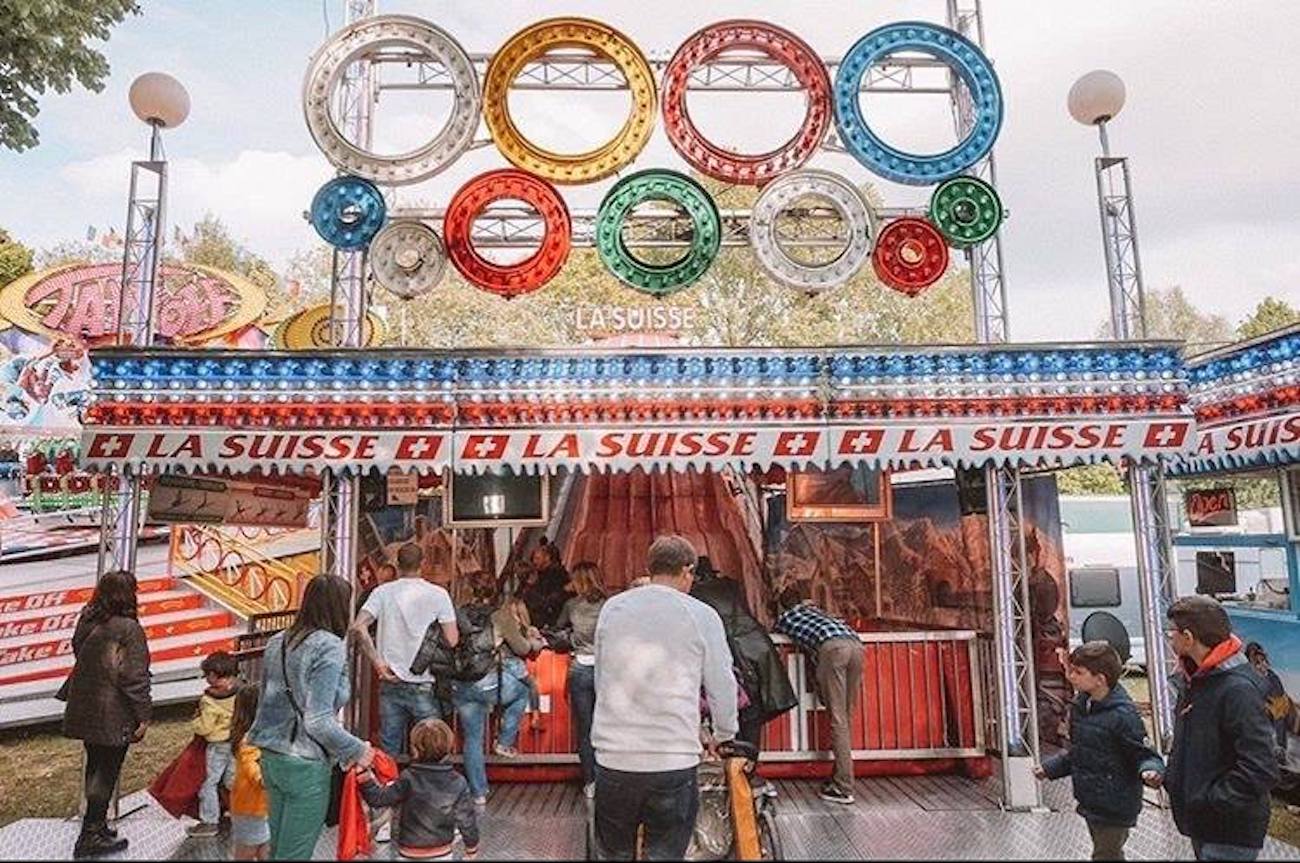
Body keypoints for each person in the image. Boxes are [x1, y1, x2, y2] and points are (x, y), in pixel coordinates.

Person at [591, 535, 738, 860]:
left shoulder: (613, 609)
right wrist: (724, 734)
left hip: (615, 758)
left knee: (614, 853)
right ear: (687, 571)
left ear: (650, 567)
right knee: (665, 854)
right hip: (673, 760)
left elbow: (602, 676)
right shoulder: (702, 615)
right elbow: (721, 682)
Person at [248, 574, 374, 860]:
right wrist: (359, 750)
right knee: (295, 854)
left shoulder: (277, 641)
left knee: (279, 849)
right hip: (305, 763)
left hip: (271, 756)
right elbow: (318, 721)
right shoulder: (329, 646)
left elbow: (265, 700)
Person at [1164, 596, 1279, 861]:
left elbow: (1261, 766)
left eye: (1172, 632)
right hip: (1204, 825)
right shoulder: (1195, 681)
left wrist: (1211, 800)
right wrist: (1173, 777)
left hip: (1230, 830)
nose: (1170, 639)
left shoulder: (1237, 689)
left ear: (1189, 637)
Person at [1033, 642, 1164, 861]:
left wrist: (1150, 770)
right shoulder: (1081, 707)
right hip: (1092, 800)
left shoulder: (1123, 716)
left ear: (1100, 679)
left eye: (1079, 672)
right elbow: (1080, 751)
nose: (1071, 676)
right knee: (1107, 852)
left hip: (1116, 803)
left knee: (1106, 853)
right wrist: (1050, 768)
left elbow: (1143, 752)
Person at [60, 569, 152, 860]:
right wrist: (144, 714)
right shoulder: (128, 628)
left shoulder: (87, 618)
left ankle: (96, 825)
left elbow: (78, 650)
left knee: (94, 767)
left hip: (86, 704)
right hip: (113, 711)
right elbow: (133, 675)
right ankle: (90, 835)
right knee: (107, 772)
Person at [351, 542, 459, 758]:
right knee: (432, 747)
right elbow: (452, 639)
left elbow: (358, 626)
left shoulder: (382, 592)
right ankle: (426, 790)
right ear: (423, 564)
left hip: (389, 679)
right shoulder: (439, 595)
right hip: (425, 681)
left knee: (389, 748)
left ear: (397, 565)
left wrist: (377, 662)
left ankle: (390, 787)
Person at [689, 557, 796, 748]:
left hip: (737, 653)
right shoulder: (730, 585)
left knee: (735, 709)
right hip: (758, 647)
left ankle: (735, 771)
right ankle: (749, 769)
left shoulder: (695, 593)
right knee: (752, 714)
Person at [773, 583, 862, 805]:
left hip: (832, 649)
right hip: (856, 647)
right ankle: (840, 774)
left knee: (837, 719)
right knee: (845, 717)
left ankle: (843, 786)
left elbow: (774, 634)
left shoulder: (787, 619)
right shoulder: (819, 612)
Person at [451, 589, 540, 805]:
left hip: (460, 683)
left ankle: (478, 793)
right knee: (522, 691)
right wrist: (535, 641)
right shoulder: (501, 616)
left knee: (472, 739)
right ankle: (504, 741)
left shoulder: (457, 613)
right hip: (488, 682)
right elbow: (522, 647)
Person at [358, 718, 480, 860]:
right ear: (449, 747)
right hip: (441, 851)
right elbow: (466, 820)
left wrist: (364, 776)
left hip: (408, 850)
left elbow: (378, 799)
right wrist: (471, 848)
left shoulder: (408, 778)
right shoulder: (458, 782)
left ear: (414, 749)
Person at [556, 561, 608, 798]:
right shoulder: (610, 605)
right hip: (606, 669)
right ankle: (610, 777)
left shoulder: (571, 605)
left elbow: (558, 630)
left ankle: (591, 781)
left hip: (580, 668)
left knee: (585, 729)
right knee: (607, 726)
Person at [188, 650, 242, 838]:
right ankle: (242, 813)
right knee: (232, 780)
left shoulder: (210, 700)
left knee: (209, 783)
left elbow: (205, 728)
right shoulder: (240, 693)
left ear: (212, 675)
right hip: (236, 743)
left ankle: (209, 821)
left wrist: (195, 721)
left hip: (218, 746)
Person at [228, 684, 269, 861]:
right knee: (246, 852)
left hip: (263, 808)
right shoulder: (248, 742)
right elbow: (255, 773)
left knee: (266, 851)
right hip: (250, 810)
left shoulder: (261, 736)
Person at [1245, 641, 1291, 754]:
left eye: (1263, 661)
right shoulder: (1247, 679)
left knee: (1278, 722)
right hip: (1261, 712)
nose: (1262, 665)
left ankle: (1280, 750)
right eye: (1257, 663)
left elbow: (1278, 702)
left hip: (1276, 709)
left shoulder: (1272, 678)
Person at [521, 540, 569, 629]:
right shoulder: (538, 574)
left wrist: (532, 587)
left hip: (549, 619)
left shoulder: (557, 576)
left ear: (547, 558)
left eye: (537, 558)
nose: (534, 562)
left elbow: (549, 600)